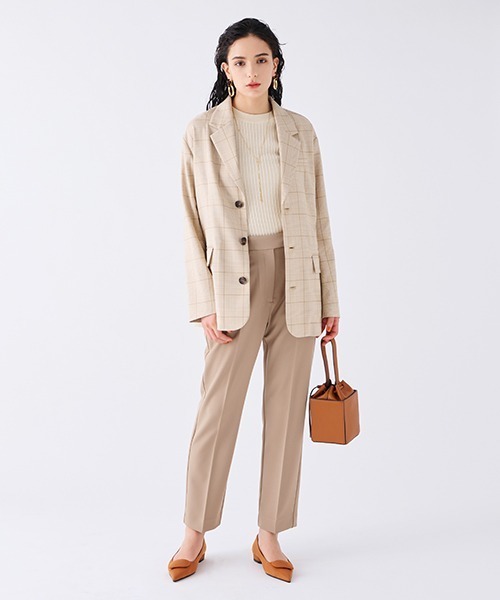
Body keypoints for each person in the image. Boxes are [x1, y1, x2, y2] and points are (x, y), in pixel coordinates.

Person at [168, 17, 341, 583]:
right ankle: (195, 531)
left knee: (286, 412)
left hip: (298, 279)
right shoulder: (201, 132)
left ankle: (269, 534)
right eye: (239, 62)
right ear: (225, 69)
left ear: (276, 65)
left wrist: (330, 297)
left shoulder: (300, 131)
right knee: (216, 411)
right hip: (231, 283)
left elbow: (319, 217)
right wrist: (203, 302)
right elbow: (189, 223)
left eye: (261, 60)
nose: (251, 71)